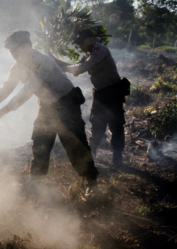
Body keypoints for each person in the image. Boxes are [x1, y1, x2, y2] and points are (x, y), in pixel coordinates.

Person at [0, 30, 98, 193]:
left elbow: (27, 91)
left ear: (27, 46)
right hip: (47, 106)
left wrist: (3, 112)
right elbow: (6, 89)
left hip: (67, 103)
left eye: (15, 50)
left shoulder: (42, 61)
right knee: (40, 142)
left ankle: (90, 182)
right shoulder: (18, 66)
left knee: (74, 143)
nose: (12, 54)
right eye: (11, 51)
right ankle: (36, 184)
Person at [53, 29, 125, 167]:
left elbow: (80, 68)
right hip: (100, 94)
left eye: (81, 42)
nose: (79, 46)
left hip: (113, 93)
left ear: (91, 40)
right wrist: (57, 63)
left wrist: (60, 65)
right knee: (97, 124)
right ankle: (92, 156)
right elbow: (77, 66)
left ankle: (117, 158)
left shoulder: (100, 51)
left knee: (116, 125)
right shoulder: (88, 53)